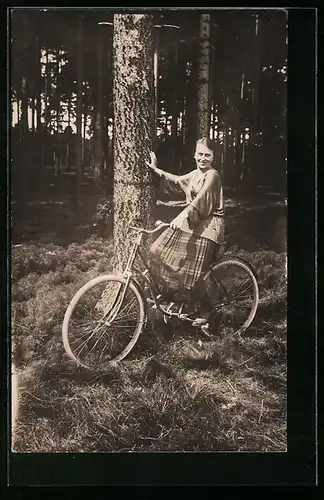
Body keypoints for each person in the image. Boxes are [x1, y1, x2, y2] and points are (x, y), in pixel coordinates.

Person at [145, 137, 225, 326]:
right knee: (157, 250)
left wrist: (182, 215)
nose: (202, 158)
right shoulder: (195, 173)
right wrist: (156, 170)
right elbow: (177, 181)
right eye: (200, 154)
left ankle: (207, 312)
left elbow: (202, 198)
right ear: (194, 154)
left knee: (194, 273)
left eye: (207, 155)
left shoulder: (213, 175)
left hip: (209, 227)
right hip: (192, 222)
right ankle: (170, 298)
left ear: (213, 157)